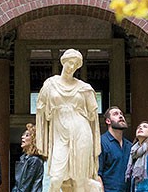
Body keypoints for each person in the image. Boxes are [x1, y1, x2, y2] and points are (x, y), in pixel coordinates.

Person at [35, 49, 101, 192]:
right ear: (63, 62)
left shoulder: (84, 88)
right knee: (55, 178)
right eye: (70, 63)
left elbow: (93, 116)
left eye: (75, 64)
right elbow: (41, 110)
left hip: (81, 132)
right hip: (60, 134)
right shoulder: (50, 84)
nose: (71, 67)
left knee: (79, 180)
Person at [97, 106, 132, 192]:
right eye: (115, 114)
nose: (120, 116)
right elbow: (97, 175)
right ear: (108, 121)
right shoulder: (101, 142)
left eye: (121, 114)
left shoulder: (130, 146)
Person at [13, 123, 46, 192]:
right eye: (23, 135)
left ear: (34, 139)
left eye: (27, 135)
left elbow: (26, 186)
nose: (22, 137)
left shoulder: (35, 160)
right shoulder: (25, 158)